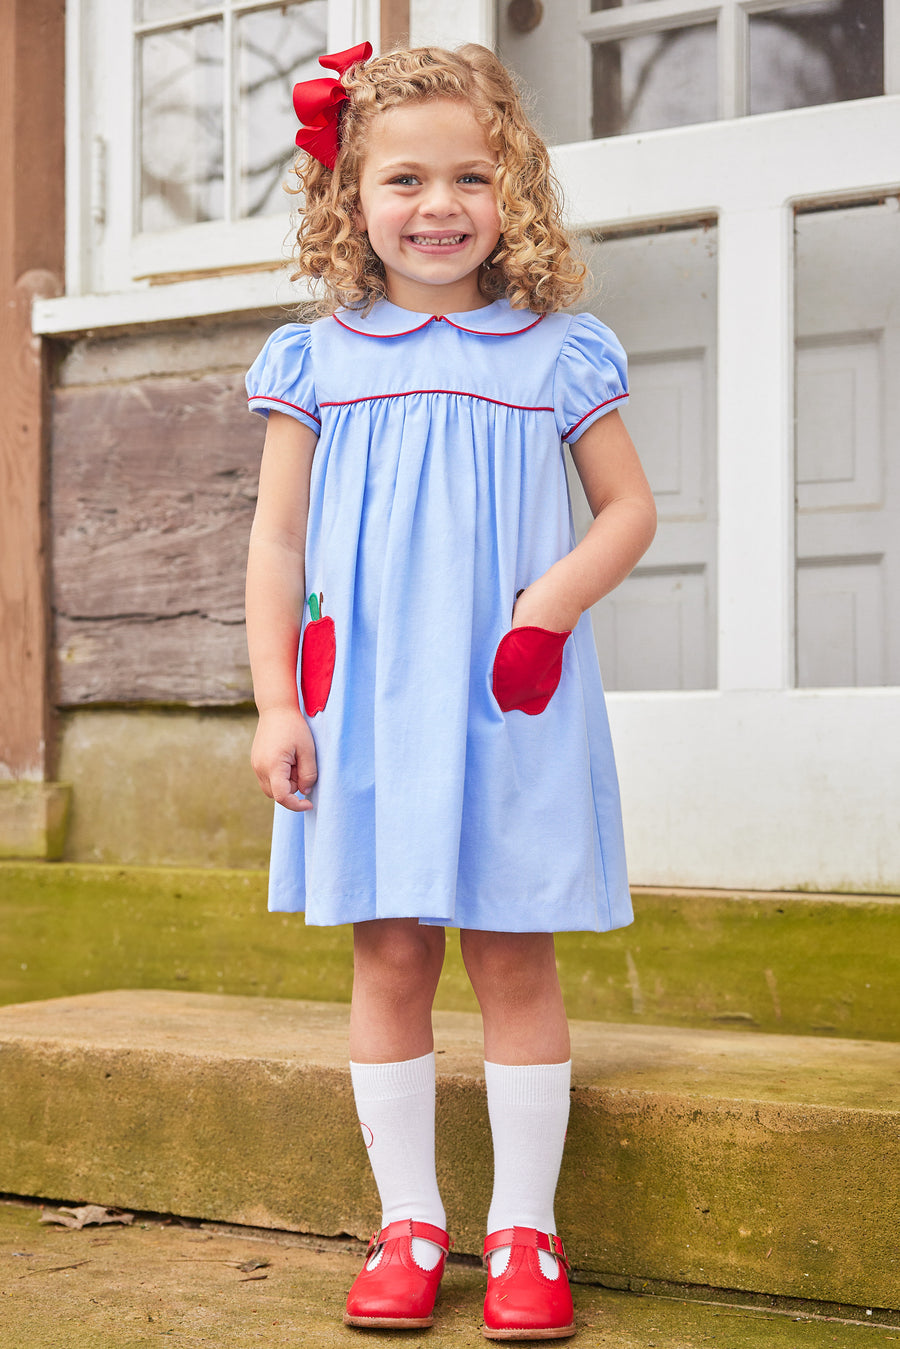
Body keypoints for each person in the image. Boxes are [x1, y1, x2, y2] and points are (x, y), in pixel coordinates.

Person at [244, 41, 656, 1340]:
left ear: (514, 188)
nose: (438, 205)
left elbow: (630, 509)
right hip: (365, 709)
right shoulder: (320, 359)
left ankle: (524, 1227)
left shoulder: (556, 353)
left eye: (470, 176)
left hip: (507, 702)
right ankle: (410, 1217)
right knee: (392, 950)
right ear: (350, 199)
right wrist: (275, 701)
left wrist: (550, 603)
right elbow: (275, 544)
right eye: (404, 178)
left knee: (515, 954)